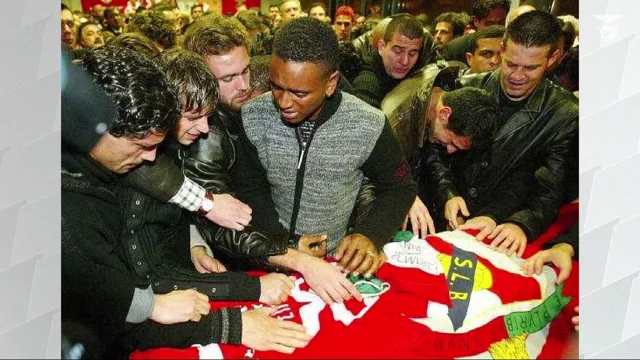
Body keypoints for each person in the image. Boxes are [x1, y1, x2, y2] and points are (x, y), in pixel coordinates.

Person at [62, 46, 312, 358]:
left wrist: (194, 243)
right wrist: (235, 319)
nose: (150, 157)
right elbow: (123, 310)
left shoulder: (110, 165)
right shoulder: (72, 211)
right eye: (143, 145)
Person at [234, 18, 416, 304]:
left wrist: (371, 234)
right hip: (263, 261)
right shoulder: (253, 115)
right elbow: (250, 190)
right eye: (276, 86)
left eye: (299, 93)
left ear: (331, 83)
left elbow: (399, 187)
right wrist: (287, 248)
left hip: (331, 267)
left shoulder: (367, 123)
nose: (283, 102)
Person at [429, 10, 578, 257]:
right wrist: (447, 194)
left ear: (553, 58)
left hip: (498, 230)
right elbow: (434, 151)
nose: (517, 76)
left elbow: (549, 187)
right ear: (502, 50)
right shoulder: (467, 85)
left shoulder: (563, 114)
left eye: (530, 67)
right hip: (440, 221)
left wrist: (521, 224)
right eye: (511, 63)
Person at [352, 14, 426, 108]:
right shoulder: (367, 83)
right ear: (381, 47)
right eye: (398, 52)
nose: (405, 62)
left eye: (412, 53)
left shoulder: (419, 70)